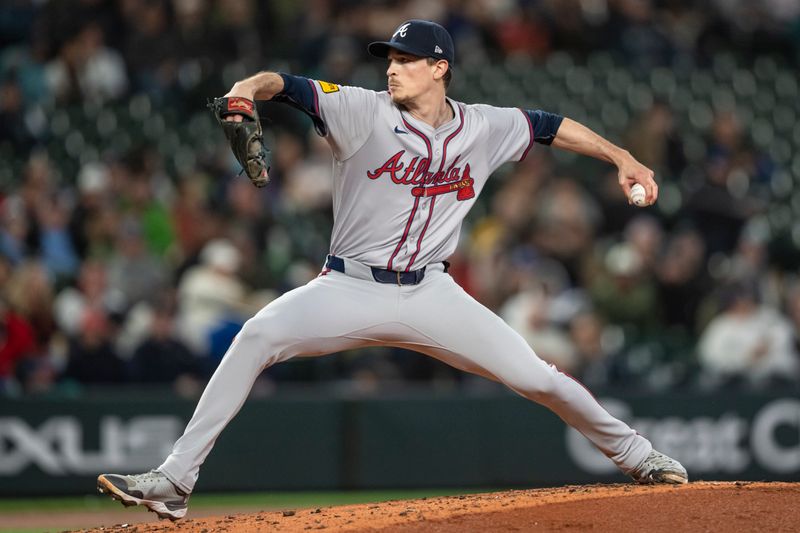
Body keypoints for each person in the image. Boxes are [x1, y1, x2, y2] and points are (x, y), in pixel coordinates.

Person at [97, 20, 687, 520]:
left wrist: (623, 157)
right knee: (257, 336)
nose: (392, 68)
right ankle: (174, 480)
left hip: (432, 293)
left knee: (536, 378)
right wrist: (245, 90)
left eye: (406, 60)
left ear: (440, 68)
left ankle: (640, 457)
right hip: (348, 286)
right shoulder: (360, 111)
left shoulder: (482, 126)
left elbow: (549, 126)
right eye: (389, 59)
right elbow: (287, 86)